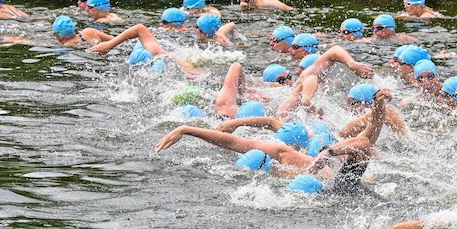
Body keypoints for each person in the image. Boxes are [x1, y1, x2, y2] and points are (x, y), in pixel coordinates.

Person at [158, 96, 393, 185]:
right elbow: (236, 144)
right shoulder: (296, 161)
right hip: (331, 194)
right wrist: (188, 129)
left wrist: (380, 106)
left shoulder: (329, 162)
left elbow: (365, 141)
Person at [339, 85, 408, 137]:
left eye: (352, 102)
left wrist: (379, 102)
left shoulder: (385, 113)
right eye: (348, 101)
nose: (347, 105)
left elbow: (344, 133)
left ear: (367, 105)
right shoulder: (346, 119)